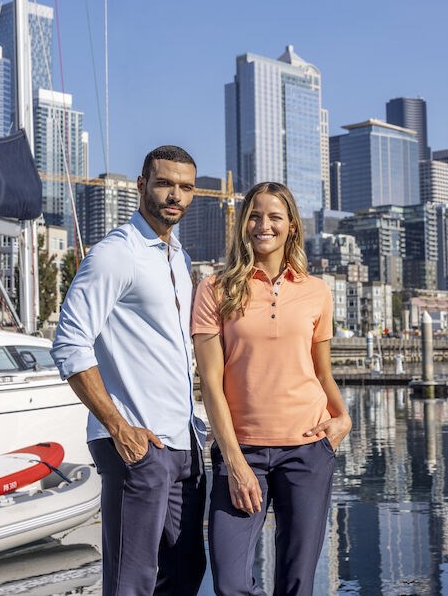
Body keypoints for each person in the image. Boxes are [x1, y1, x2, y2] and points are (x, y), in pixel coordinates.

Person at [51, 145, 206, 596]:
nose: (174, 195)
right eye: (164, 184)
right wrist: (118, 426)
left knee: (185, 572)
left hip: (184, 442)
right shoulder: (115, 254)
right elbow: (69, 342)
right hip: (137, 443)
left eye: (185, 187)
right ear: (142, 186)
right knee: (130, 582)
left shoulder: (180, 259)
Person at [192, 181, 351, 596]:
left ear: (292, 226)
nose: (264, 224)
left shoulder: (316, 291)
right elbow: (210, 380)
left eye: (275, 216)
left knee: (297, 582)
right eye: (255, 215)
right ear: (243, 224)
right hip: (240, 450)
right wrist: (234, 461)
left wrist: (343, 419)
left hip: (308, 448)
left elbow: (322, 372)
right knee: (229, 581)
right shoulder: (215, 288)